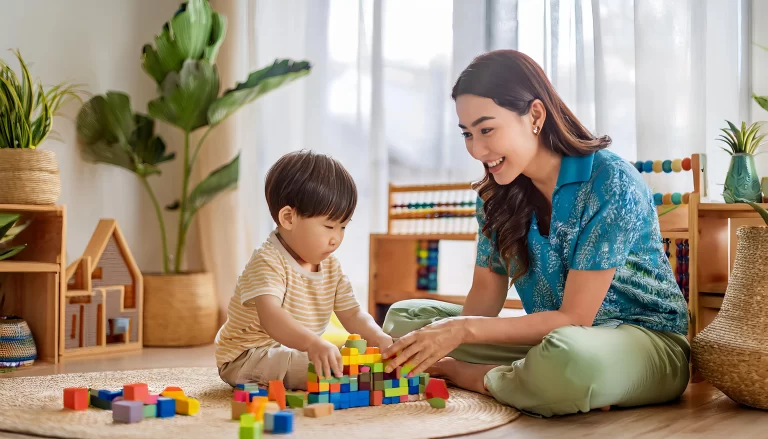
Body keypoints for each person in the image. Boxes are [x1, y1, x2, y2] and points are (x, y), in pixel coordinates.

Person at [380, 50, 690, 418]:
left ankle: (468, 375)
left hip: (645, 343)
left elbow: (576, 318)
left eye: (487, 129)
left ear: (535, 116)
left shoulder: (611, 182)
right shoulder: (496, 194)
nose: (477, 149)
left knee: (571, 360)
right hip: (553, 339)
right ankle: (533, 379)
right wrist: (447, 334)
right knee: (407, 321)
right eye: (467, 133)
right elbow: (484, 296)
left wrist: (457, 343)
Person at [216, 150, 393, 390]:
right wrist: (312, 344)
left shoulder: (331, 266)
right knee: (330, 371)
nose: (336, 239)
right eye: (329, 226)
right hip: (246, 356)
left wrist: (377, 336)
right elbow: (272, 318)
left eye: (343, 227)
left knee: (347, 360)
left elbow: (352, 314)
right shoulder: (267, 261)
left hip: (292, 350)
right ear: (288, 218)